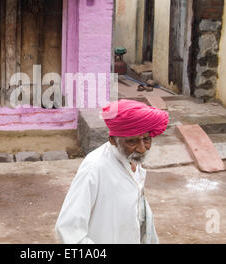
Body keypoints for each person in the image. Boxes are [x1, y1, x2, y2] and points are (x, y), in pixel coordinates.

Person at [55, 99, 169, 244]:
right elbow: (68, 229)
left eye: (146, 139)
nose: (142, 148)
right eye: (132, 141)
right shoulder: (95, 167)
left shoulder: (132, 160)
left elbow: (139, 213)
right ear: (113, 140)